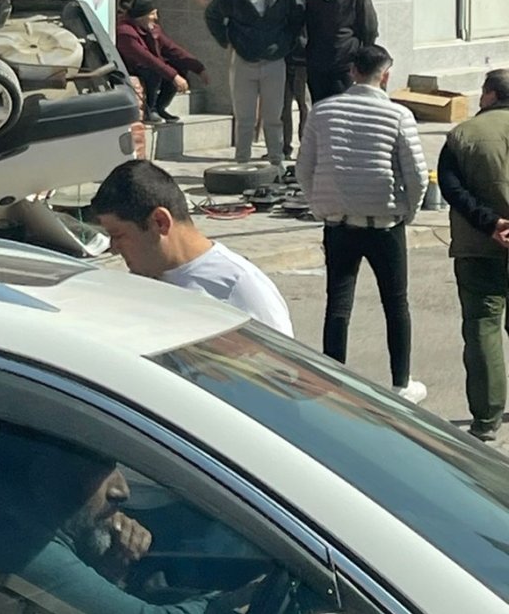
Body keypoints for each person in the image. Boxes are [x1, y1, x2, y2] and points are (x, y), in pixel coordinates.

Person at [0, 419, 259, 614]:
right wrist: (245, 601)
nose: (122, 489)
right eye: (101, 466)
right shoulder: (14, 545)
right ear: (46, 474)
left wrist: (108, 568)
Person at [295, 45, 428, 402]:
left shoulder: (322, 111)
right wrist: (408, 211)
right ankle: (401, 382)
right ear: (385, 75)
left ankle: (332, 377)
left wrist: (320, 205)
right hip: (385, 222)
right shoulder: (398, 115)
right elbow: (416, 175)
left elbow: (303, 168)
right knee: (395, 303)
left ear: (353, 71)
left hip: (338, 223)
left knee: (337, 303)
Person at [91, 159, 294, 336]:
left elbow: (284, 372)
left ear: (160, 222)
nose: (113, 248)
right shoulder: (145, 278)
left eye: (118, 235)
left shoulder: (240, 288)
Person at [437, 70, 509, 442]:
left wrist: (491, 223)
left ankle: (486, 417)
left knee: (482, 327)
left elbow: (450, 187)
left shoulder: (463, 136)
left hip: (479, 246)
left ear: (489, 95)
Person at [205, 0, 304, 166]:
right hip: (243, 60)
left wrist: (286, 44)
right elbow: (212, 14)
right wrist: (226, 40)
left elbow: (297, 19)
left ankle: (276, 160)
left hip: (274, 61)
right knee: (244, 118)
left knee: (273, 117)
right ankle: (241, 161)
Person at [115, 0, 209, 124]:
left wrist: (198, 68)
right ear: (141, 16)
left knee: (178, 68)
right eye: (152, 14)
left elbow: (171, 49)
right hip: (131, 67)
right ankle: (150, 109)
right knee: (155, 71)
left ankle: (160, 107)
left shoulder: (152, 29)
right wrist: (174, 76)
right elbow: (147, 58)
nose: (156, 18)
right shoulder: (125, 32)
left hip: (147, 65)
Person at [303, 0, 378, 102]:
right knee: (321, 108)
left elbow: (369, 31)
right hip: (318, 66)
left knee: (344, 107)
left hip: (345, 65)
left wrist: (360, 61)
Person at [280, 0, 317, 159]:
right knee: (282, 105)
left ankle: (306, 149)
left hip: (306, 58)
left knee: (305, 105)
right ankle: (283, 147)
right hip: (283, 56)